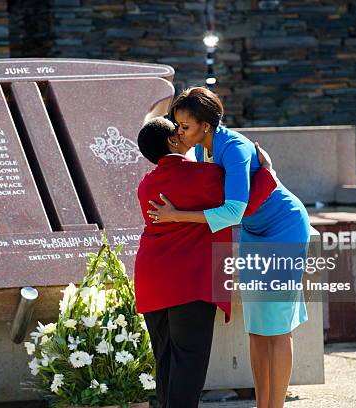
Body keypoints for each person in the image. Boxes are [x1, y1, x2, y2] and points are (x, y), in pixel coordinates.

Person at [147, 88, 310, 408]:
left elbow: (233, 210)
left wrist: (176, 216)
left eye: (185, 126)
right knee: (257, 327)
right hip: (252, 231)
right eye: (176, 125)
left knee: (276, 327)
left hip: (283, 229)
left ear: (205, 126)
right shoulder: (199, 149)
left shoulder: (233, 148)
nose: (178, 132)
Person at [134, 117, 276, 408]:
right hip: (191, 280)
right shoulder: (204, 176)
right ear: (172, 141)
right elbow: (242, 207)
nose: (185, 132)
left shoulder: (146, 184)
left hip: (151, 278)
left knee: (166, 360)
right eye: (179, 130)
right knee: (189, 361)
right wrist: (267, 172)